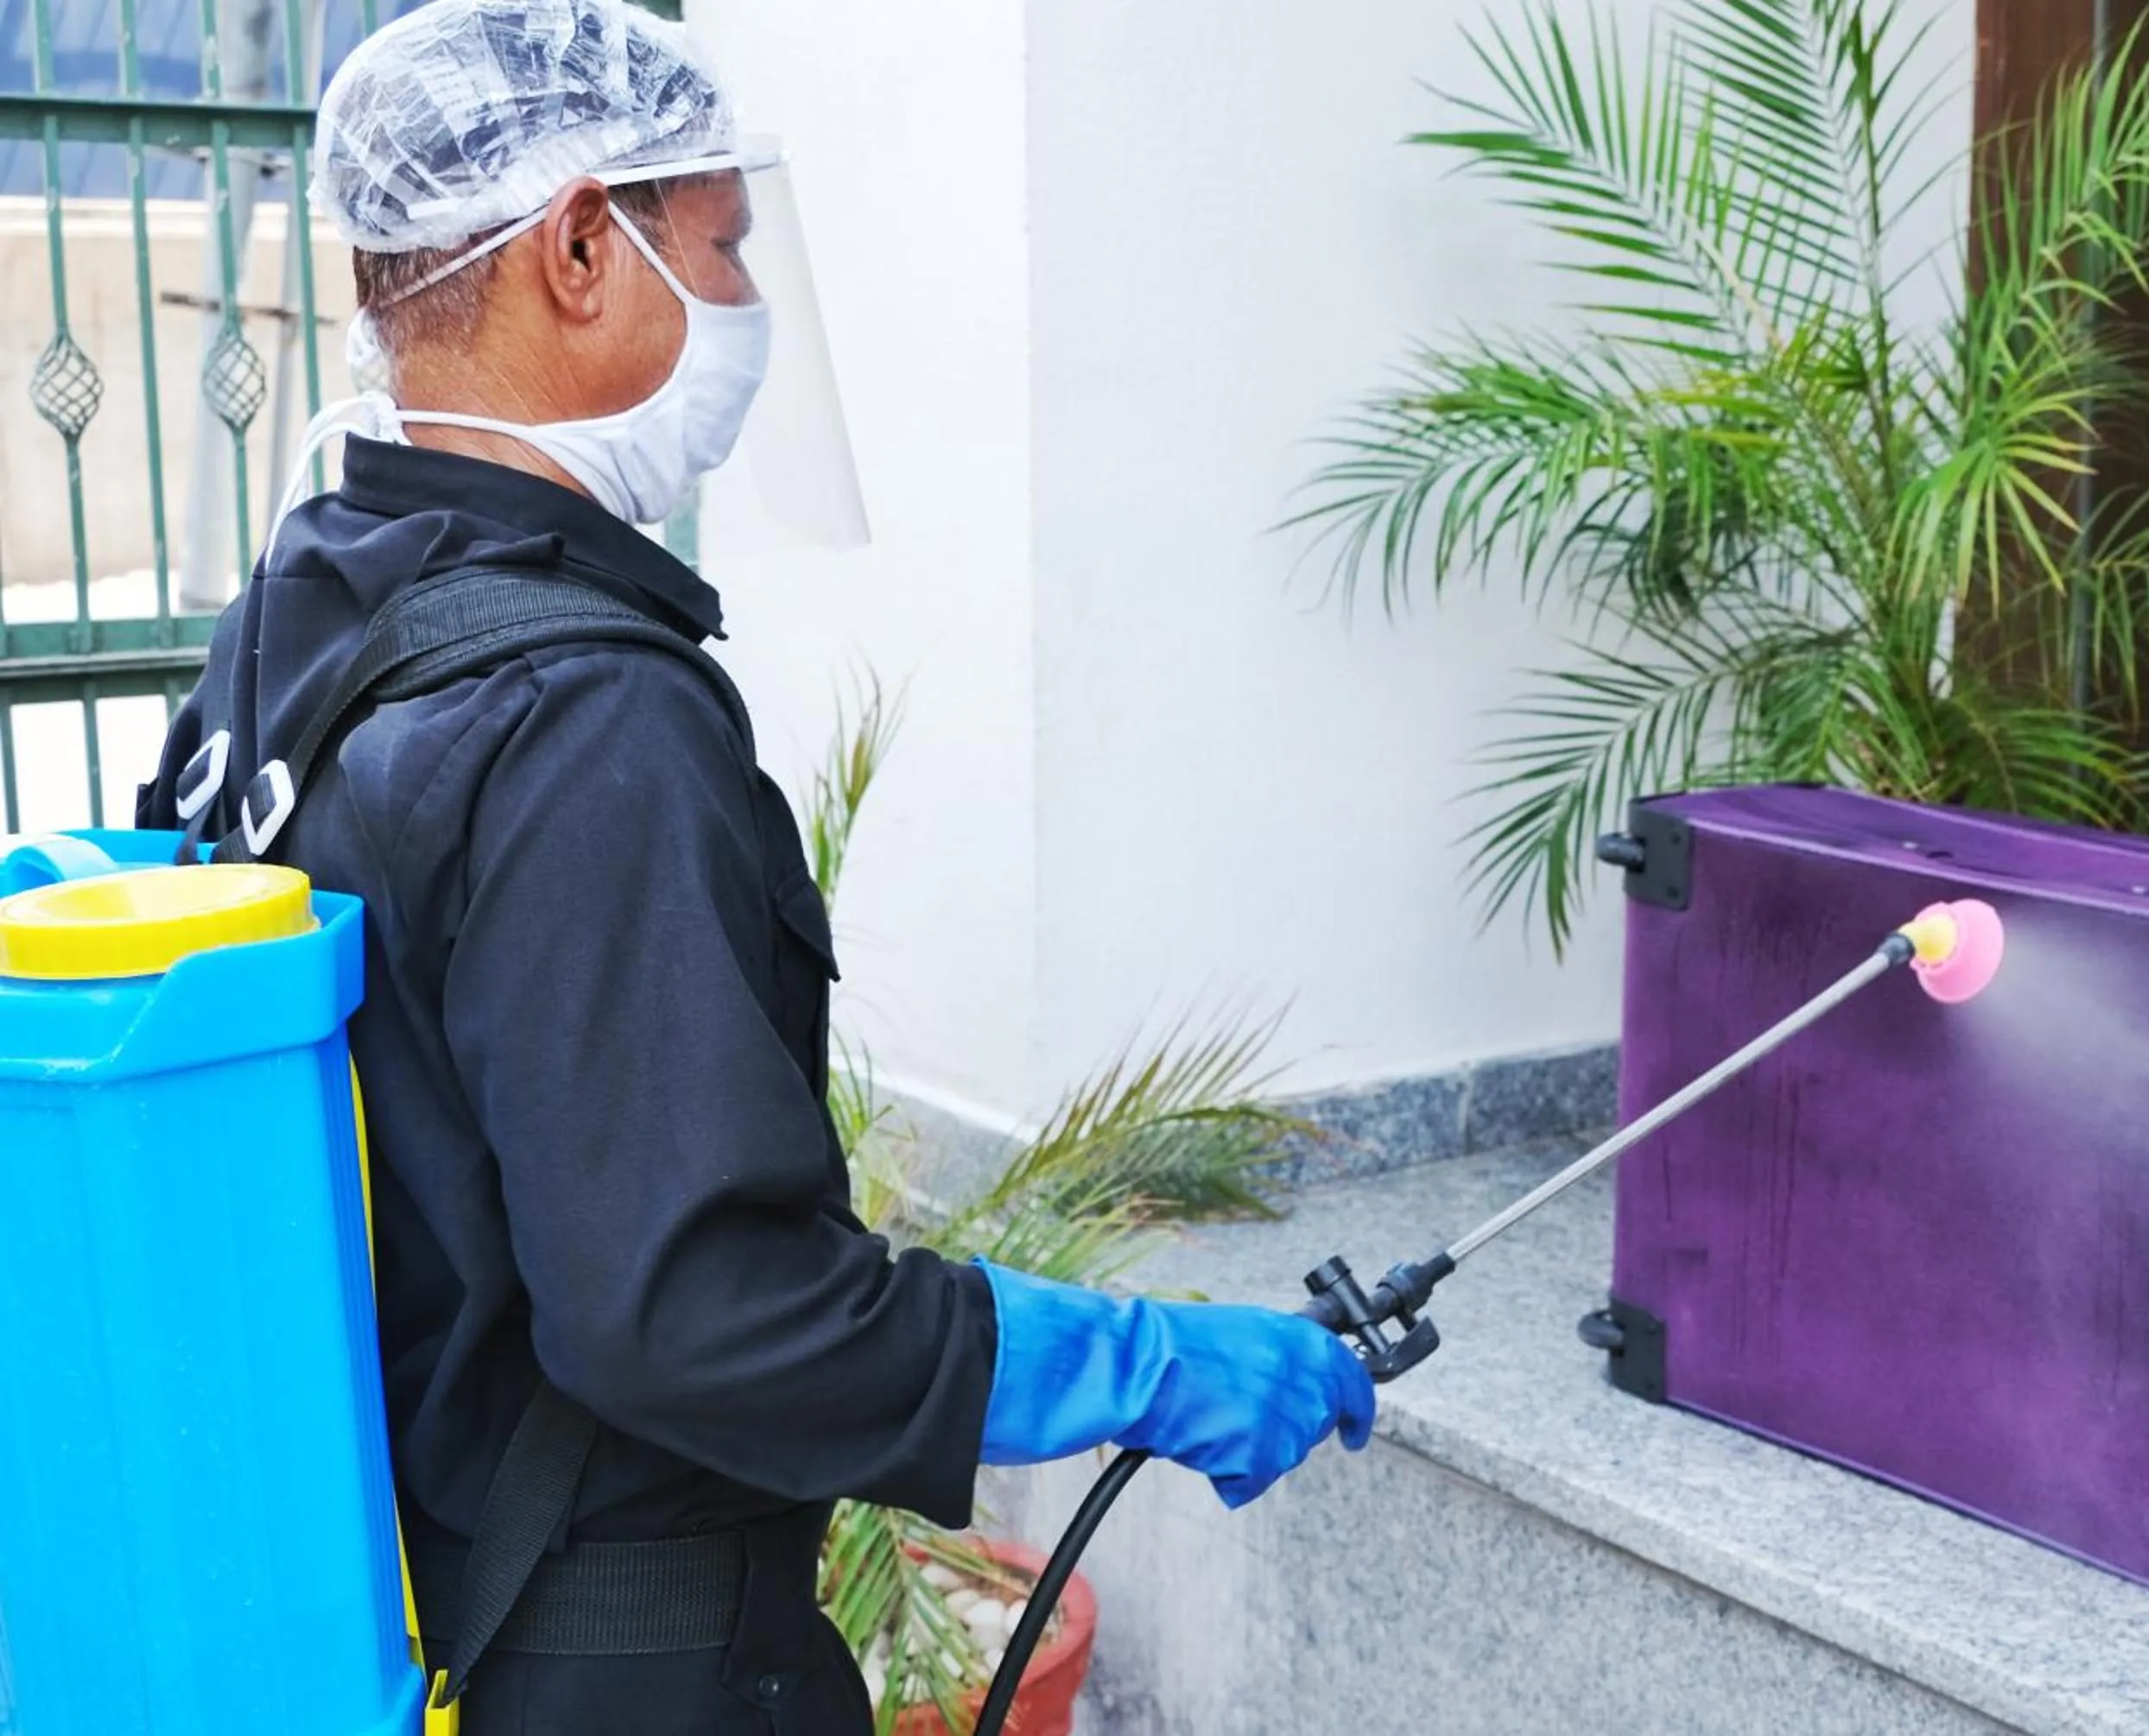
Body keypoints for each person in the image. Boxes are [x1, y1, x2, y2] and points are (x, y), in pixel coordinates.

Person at [134, 3, 1374, 1732]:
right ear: (579, 249)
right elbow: (697, 1313)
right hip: (610, 1657)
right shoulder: (582, 722)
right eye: (715, 246)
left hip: (408, 1574)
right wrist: (1137, 1366)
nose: (743, 309)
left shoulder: (309, 608)